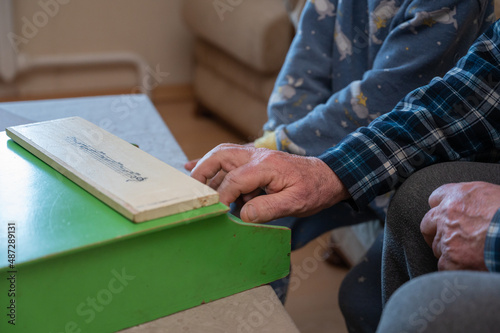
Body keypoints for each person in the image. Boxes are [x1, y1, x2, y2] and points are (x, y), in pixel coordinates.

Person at [190, 17, 500, 332]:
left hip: (406, 169)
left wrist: (493, 235)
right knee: (362, 297)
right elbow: (479, 91)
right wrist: (312, 166)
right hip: (369, 153)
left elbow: (381, 96)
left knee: (409, 309)